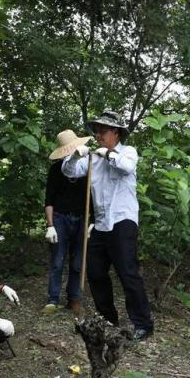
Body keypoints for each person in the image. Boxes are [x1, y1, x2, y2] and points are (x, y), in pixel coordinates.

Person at [62, 110, 154, 341]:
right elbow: (69, 171)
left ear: (116, 133)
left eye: (103, 131)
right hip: (100, 224)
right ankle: (107, 317)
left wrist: (108, 154)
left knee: (128, 272)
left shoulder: (128, 152)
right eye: (97, 131)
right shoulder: (92, 157)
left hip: (122, 221)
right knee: (95, 272)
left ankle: (143, 323)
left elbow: (126, 168)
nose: (98, 135)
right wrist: (75, 156)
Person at [44, 130, 91, 315]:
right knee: (57, 259)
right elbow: (49, 200)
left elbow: (94, 197)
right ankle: (53, 299)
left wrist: (92, 222)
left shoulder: (88, 166)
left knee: (78, 261)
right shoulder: (56, 170)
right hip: (60, 218)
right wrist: (50, 225)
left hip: (82, 218)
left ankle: (74, 298)